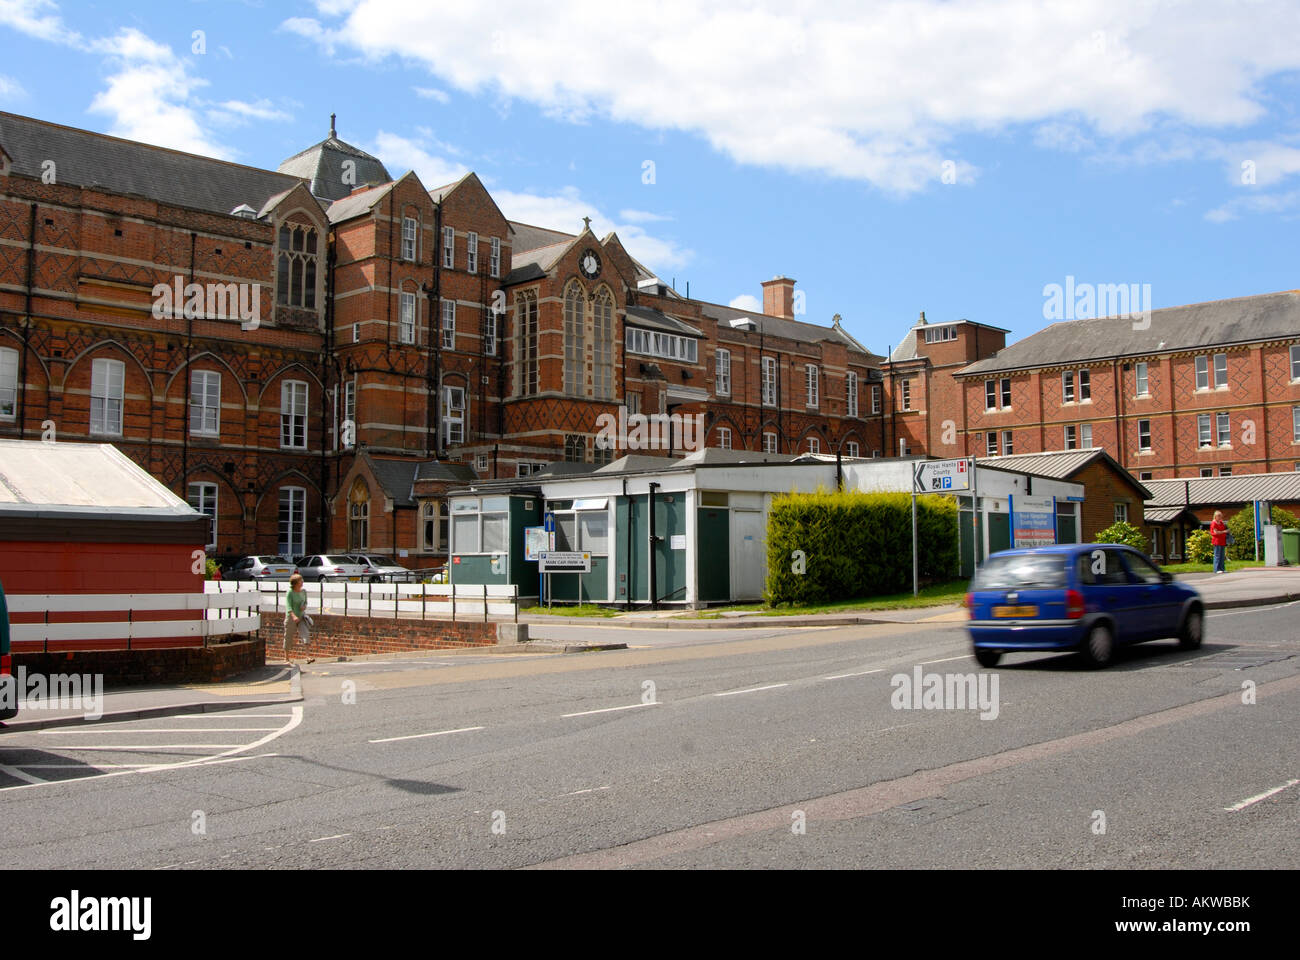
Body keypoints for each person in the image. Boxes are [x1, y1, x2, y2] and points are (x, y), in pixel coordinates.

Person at [284, 573, 315, 665]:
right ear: (295, 583)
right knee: (288, 636)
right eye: (300, 581)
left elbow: (305, 602)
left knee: (306, 634)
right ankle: (286, 658)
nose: (302, 582)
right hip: (291, 618)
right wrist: (294, 616)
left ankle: (308, 656)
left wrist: (304, 606)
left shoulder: (303, 592)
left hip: (301, 616)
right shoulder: (290, 592)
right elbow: (288, 607)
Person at [1209, 510, 1228, 574]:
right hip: (1216, 541)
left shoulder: (1221, 522)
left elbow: (1223, 529)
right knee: (1217, 555)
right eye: (1218, 516)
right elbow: (1215, 532)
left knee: (1222, 556)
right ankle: (1216, 569)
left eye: (1220, 516)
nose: (1220, 517)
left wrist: (1226, 531)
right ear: (1215, 516)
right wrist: (1224, 532)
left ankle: (1222, 568)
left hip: (1222, 541)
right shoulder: (1213, 523)